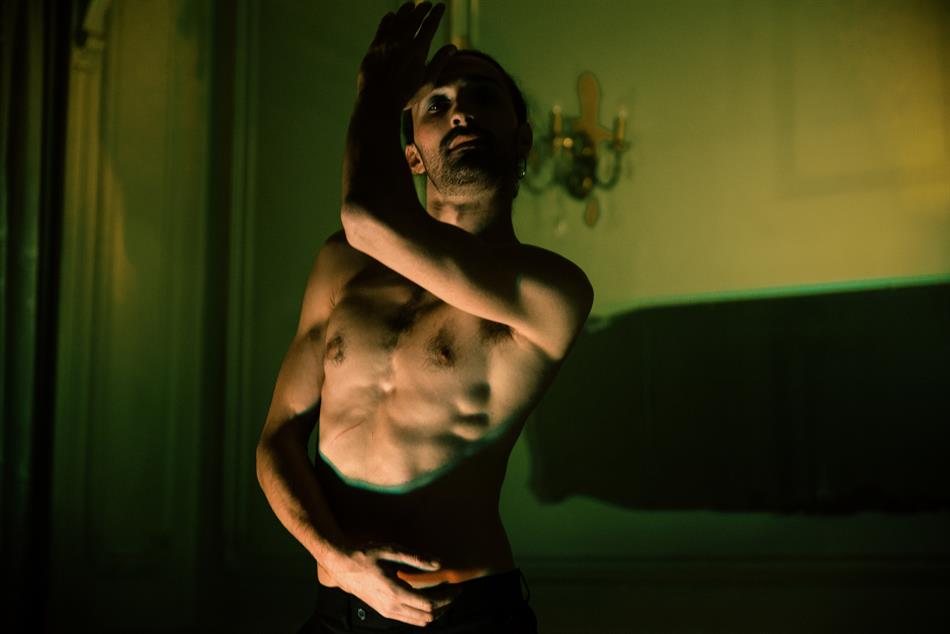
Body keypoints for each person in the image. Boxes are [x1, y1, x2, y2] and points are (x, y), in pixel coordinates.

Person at [256, 2, 593, 631]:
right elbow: (277, 440)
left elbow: (366, 218)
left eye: (482, 96)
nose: (460, 111)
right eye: (436, 105)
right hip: (335, 609)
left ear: (522, 138)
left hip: (459, 616)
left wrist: (377, 89)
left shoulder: (551, 291)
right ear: (411, 155)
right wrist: (338, 561)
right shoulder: (341, 264)